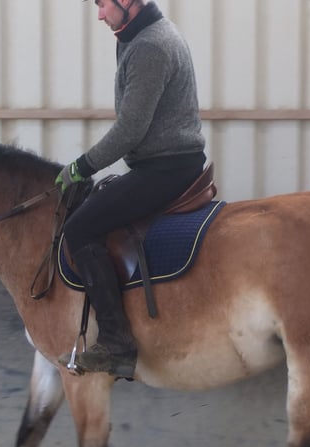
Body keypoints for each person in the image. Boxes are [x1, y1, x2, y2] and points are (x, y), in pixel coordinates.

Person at [55, 0, 206, 378]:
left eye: (104, 4)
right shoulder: (136, 36)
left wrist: (81, 166)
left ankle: (117, 342)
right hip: (160, 163)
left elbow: (130, 129)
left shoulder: (150, 46)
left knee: (79, 228)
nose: (100, 15)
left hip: (167, 169)